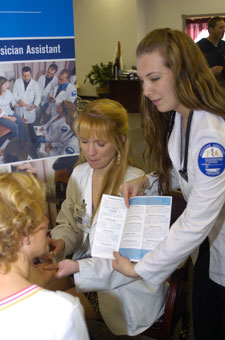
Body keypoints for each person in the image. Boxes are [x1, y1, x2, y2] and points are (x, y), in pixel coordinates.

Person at [112, 28, 225, 340]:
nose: (146, 90)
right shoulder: (184, 117)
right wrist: (146, 181)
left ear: (182, 73)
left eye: (154, 78)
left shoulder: (211, 135)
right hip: (210, 244)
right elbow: (184, 170)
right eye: (142, 80)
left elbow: (197, 217)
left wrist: (142, 268)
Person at [46, 99, 168, 336]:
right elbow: (69, 223)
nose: (90, 152)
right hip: (84, 270)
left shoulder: (136, 184)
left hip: (124, 286)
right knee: (33, 292)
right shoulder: (80, 175)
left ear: (121, 140)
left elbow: (130, 262)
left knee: (51, 314)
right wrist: (61, 241)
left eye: (100, 143)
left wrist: (78, 267)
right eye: (84, 141)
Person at [0, 172, 89, 340]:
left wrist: (33, 280)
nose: (46, 221)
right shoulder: (61, 312)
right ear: (24, 233)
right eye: (40, 215)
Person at [197, 16, 225, 87]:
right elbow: (192, 69)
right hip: (208, 86)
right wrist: (209, 72)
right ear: (210, 29)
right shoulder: (199, 47)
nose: (223, 30)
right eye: (220, 27)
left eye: (224, 27)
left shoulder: (223, 45)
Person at [0, 76, 27, 143]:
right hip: (2, 116)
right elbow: (1, 113)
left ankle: (23, 142)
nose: (7, 86)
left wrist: (22, 105)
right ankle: (16, 144)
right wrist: (10, 118)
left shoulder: (8, 92)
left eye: (7, 84)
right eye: (5, 85)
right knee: (14, 127)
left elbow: (14, 103)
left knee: (21, 122)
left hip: (10, 112)